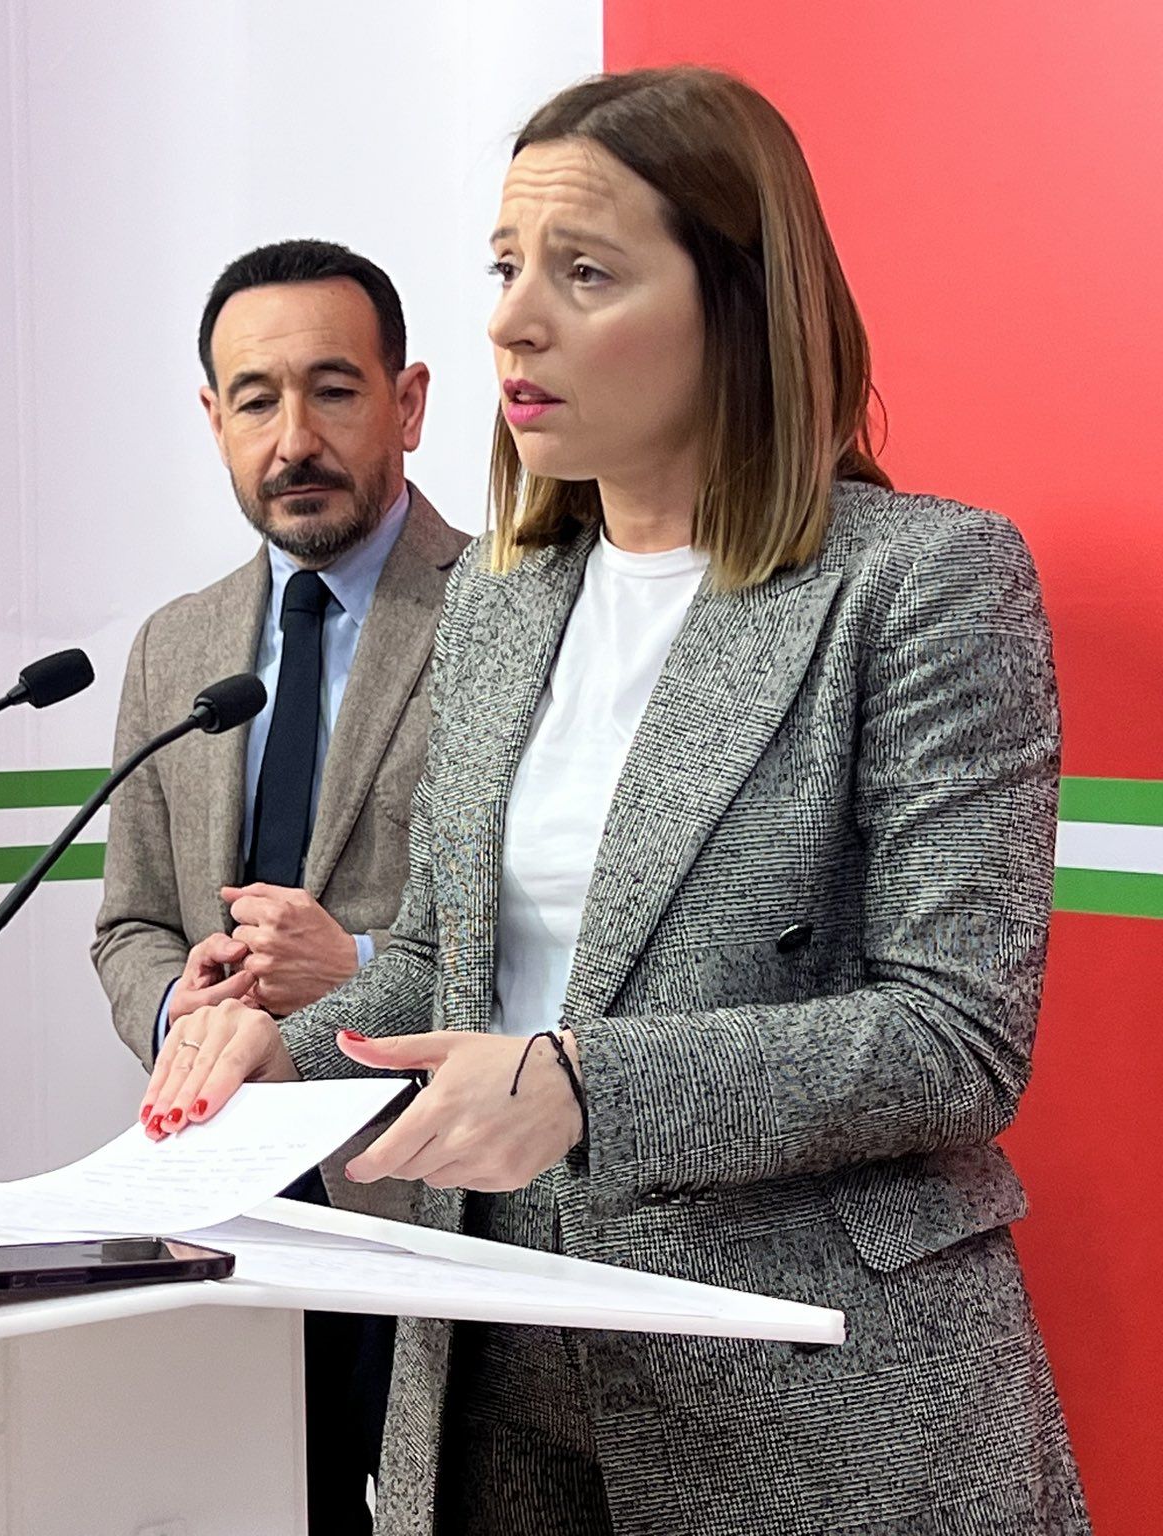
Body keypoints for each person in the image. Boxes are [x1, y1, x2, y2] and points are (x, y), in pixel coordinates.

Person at [143, 67, 1090, 1536]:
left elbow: (955, 1039)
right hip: (493, 1366)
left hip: (803, 1390)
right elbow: (454, 976)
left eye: (584, 273)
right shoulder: (503, 607)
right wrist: (280, 1057)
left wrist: (588, 1087)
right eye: (507, 269)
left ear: (738, 302)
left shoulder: (921, 582)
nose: (516, 319)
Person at [93, 238, 469, 1535]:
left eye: (334, 390)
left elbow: (560, 935)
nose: (293, 436)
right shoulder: (178, 645)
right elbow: (132, 921)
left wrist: (353, 972)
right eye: (256, 399)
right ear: (214, 419)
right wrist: (178, 1020)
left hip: (435, 1193)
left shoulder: (507, 612)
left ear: (407, 402)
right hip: (221, 1189)